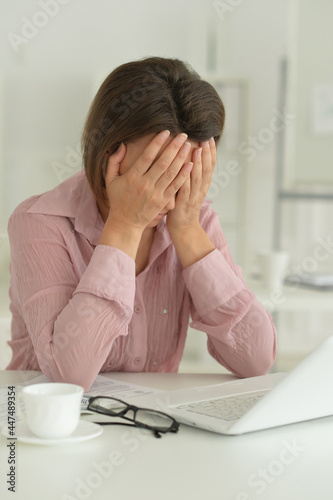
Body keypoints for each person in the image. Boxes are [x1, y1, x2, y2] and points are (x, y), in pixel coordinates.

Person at [6, 57, 276, 391]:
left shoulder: (196, 218)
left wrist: (189, 231)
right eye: (157, 170)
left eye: (185, 171)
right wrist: (125, 225)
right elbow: (68, 376)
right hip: (46, 427)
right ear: (109, 152)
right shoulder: (40, 221)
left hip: (153, 427)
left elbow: (257, 360)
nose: (169, 190)